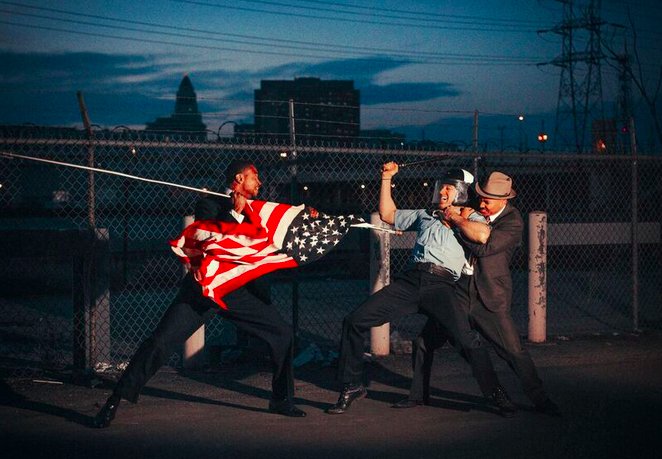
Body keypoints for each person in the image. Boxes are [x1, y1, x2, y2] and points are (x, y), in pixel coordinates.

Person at [92, 160, 306, 428]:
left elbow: (279, 231)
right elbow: (209, 236)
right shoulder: (210, 205)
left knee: (283, 334)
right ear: (239, 179)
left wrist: (307, 218)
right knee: (160, 343)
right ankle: (116, 399)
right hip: (204, 290)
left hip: (237, 293)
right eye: (255, 177)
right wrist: (233, 213)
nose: (259, 183)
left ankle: (281, 399)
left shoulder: (257, 211)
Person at [325, 162, 516, 416]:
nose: (442, 192)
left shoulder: (470, 215)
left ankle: (496, 393)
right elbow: (388, 214)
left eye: (449, 188)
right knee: (354, 320)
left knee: (468, 342)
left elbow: (482, 235)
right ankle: (352, 385)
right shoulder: (427, 213)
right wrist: (386, 179)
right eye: (441, 187)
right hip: (411, 281)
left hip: (442, 285)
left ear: (461, 191)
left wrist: (456, 218)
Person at [394, 171, 561, 416]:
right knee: (423, 342)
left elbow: (486, 248)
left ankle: (541, 400)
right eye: (480, 198)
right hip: (458, 290)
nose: (481, 204)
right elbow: (439, 219)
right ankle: (418, 396)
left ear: (504, 201)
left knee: (512, 351)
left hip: (489, 296)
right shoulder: (471, 210)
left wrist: (458, 226)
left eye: (487, 201)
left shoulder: (512, 220)